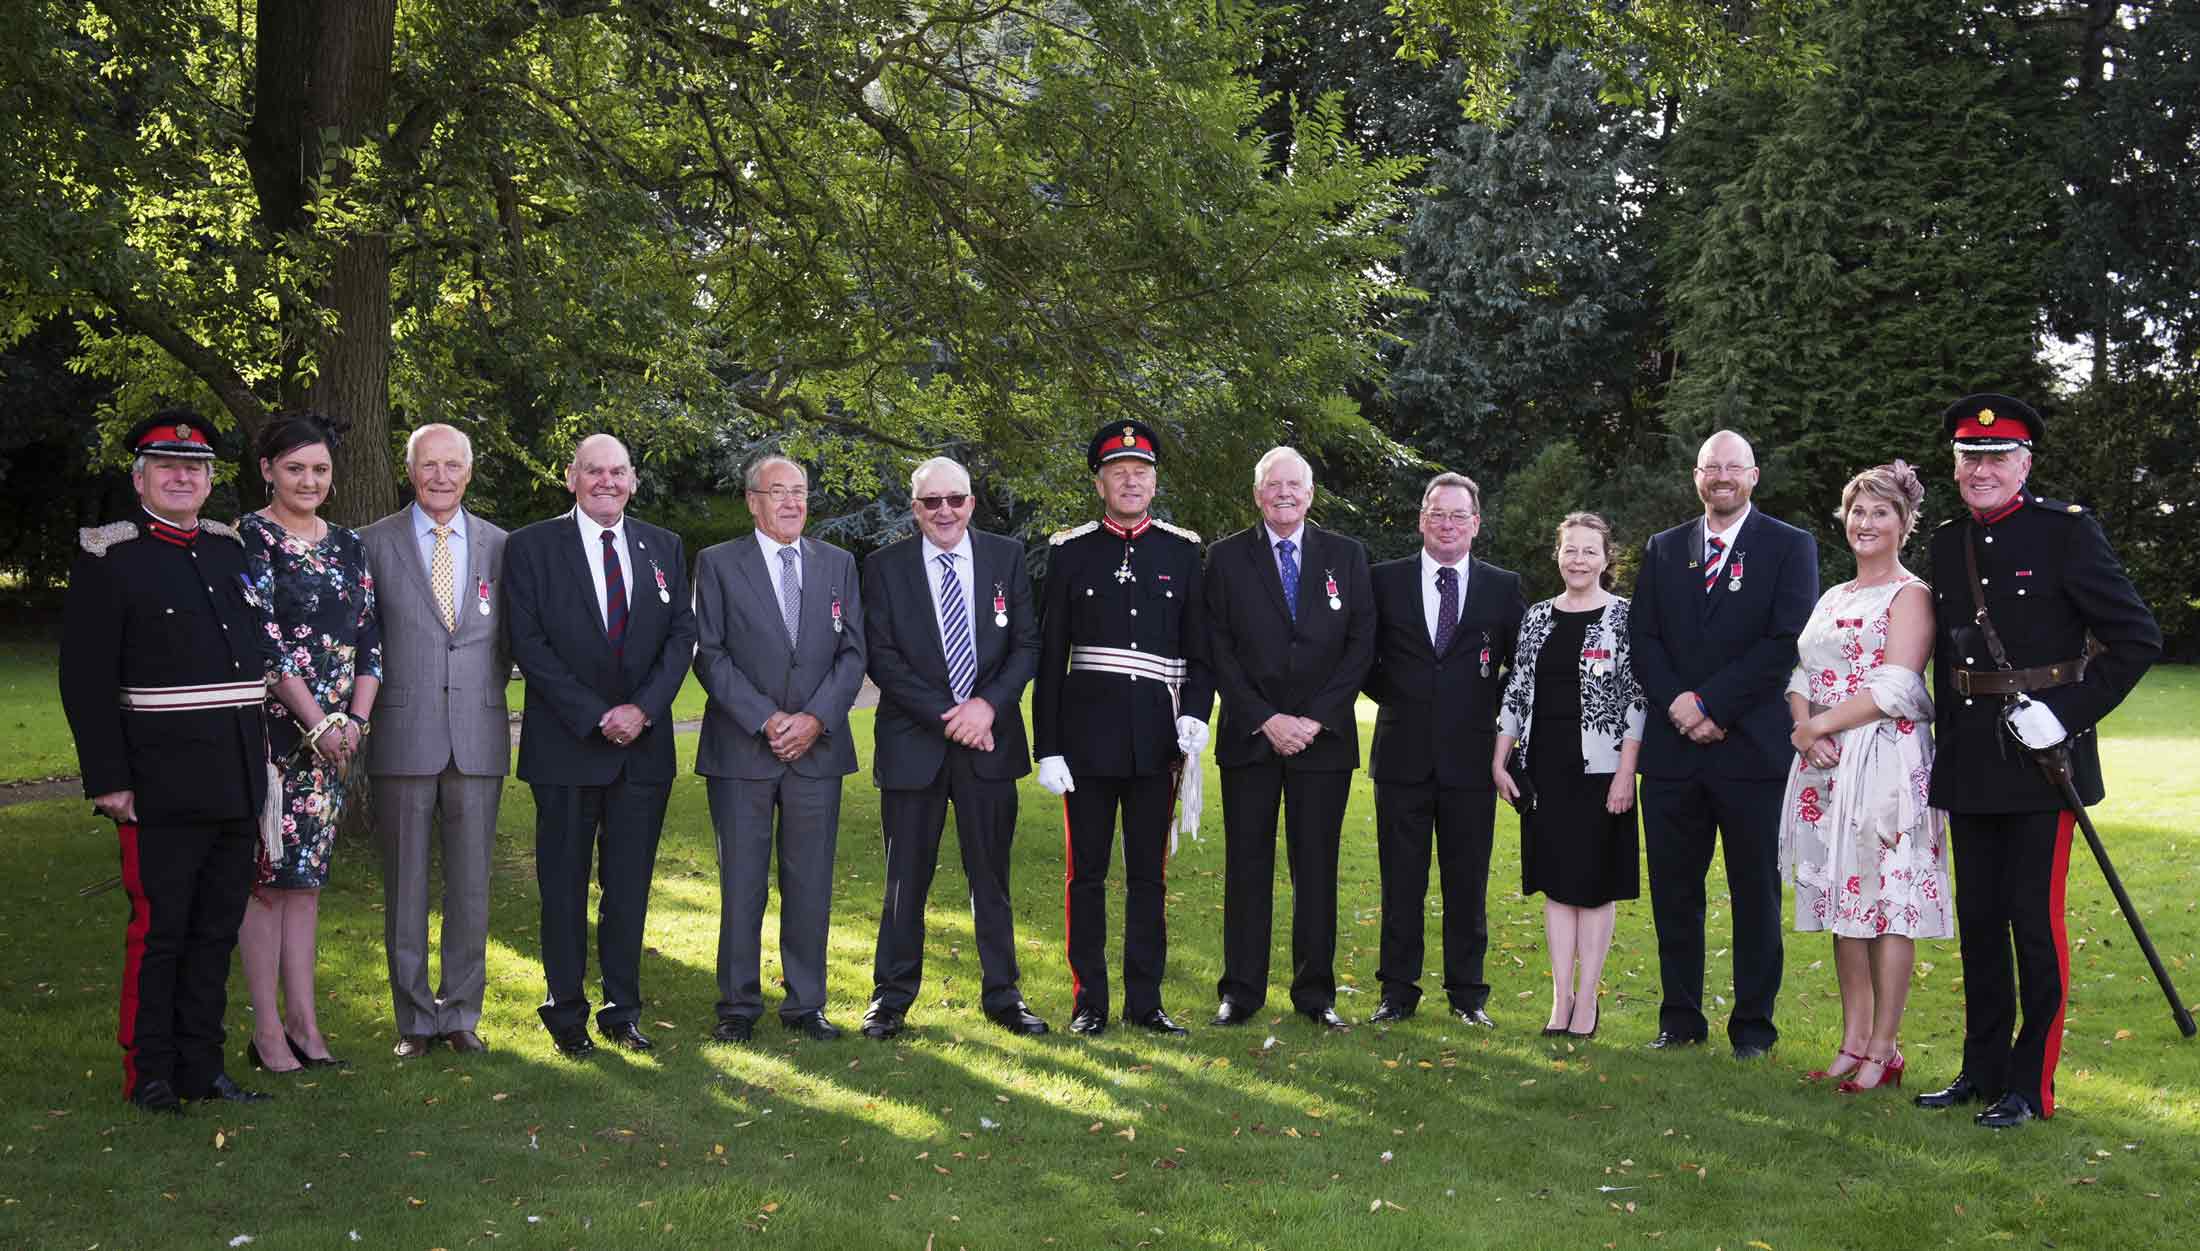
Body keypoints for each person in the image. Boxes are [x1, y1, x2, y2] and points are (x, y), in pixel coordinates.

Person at [1914, 395, 2160, 1129]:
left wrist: (2067, 712)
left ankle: (2031, 1084)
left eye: (1996, 457)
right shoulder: (1947, 542)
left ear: (2024, 463)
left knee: (2034, 921)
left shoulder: (2066, 535)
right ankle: (1981, 1069)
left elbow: (2137, 638)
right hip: (1971, 763)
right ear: (1956, 468)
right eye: (1969, 457)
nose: (1982, 468)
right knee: (1981, 923)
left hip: (2041, 764)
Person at [60, 412, 276, 1112]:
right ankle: (148, 1073)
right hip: (158, 780)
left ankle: (202, 1066)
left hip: (235, 775)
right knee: (160, 930)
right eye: (167, 466)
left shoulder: (225, 548)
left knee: (216, 930)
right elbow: (85, 679)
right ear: (140, 477)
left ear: (211, 479)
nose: (183, 476)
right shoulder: (110, 556)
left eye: (195, 467)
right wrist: (108, 778)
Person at [505, 434, 697, 1058]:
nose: (606, 482)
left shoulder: (663, 546)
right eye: (593, 471)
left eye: (617, 472)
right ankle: (565, 1013)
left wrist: (641, 710)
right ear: (570, 477)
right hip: (566, 747)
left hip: (642, 751)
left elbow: (680, 638)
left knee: (628, 887)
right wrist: (596, 715)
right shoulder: (532, 547)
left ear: (634, 481)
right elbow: (528, 644)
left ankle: (622, 1010)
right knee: (563, 887)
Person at [1629, 430, 1818, 1058]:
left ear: (1754, 477)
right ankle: (1679, 1020)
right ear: (1697, 476)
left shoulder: (1791, 547)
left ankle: (1754, 1029)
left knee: (1754, 894)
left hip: (1752, 753)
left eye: (1733, 468)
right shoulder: (1662, 549)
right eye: (1712, 468)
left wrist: (1712, 705)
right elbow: (1644, 641)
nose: (1722, 478)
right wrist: (1682, 707)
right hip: (1673, 756)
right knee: (1674, 891)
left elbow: (1785, 640)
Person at [1033, 420, 1215, 1037]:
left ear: (1155, 481)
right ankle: (1089, 1000)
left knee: (1148, 877)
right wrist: (1047, 747)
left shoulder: (1183, 550)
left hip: (1155, 743)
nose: (1131, 481)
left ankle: (1146, 1001)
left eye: (1141, 472)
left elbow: (1201, 651)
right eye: (1119, 472)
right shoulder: (1070, 551)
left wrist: (1194, 711)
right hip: (1084, 746)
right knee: (1085, 876)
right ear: (1100, 482)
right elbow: (1050, 655)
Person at [1777, 462, 1951, 1093]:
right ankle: (1852, 1039)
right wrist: (1806, 727)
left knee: (1888, 905)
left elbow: (1899, 684)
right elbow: (1801, 674)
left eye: (1880, 512)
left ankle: (1886, 1047)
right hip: (1825, 766)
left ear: (1903, 524)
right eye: (1857, 511)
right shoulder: (1834, 596)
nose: (1866, 522)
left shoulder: (1911, 595)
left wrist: (1819, 730)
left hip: (1885, 762)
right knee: (1843, 904)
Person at [859, 457, 1047, 1039]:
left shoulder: (1004, 557)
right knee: (904, 881)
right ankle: (890, 999)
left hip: (990, 741)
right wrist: (953, 717)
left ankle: (1003, 995)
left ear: (971, 502)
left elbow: (1026, 643)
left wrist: (986, 706)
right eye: (931, 502)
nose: (945, 511)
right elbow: (881, 656)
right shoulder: (884, 567)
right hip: (915, 744)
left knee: (990, 877)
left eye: (955, 499)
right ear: (915, 509)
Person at [692, 455, 866, 1044]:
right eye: (778, 491)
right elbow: (709, 654)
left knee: (810, 882)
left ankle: (805, 1004)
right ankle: (737, 1007)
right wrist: (767, 720)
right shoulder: (716, 564)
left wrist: (816, 718)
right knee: (742, 883)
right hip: (743, 750)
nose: (792, 502)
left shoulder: (838, 564)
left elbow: (853, 654)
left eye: (800, 492)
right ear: (752, 500)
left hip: (817, 753)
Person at [1204, 447, 1376, 1031]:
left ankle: (1315, 994)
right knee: (1247, 867)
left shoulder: (1345, 556)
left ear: (1310, 494)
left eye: (1295, 485)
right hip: (1251, 739)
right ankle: (1241, 992)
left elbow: (1360, 645)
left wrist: (1316, 718)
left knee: (1317, 870)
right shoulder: (1225, 559)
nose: (1284, 494)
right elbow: (1217, 647)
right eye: (1273, 485)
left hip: (1322, 742)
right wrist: (1264, 718)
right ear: (1257, 495)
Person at [237, 413, 383, 1074]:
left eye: (320, 469)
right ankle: (267, 1029)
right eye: (295, 467)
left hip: (336, 744)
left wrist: (354, 719)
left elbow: (369, 639)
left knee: (308, 883)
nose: (309, 480)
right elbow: (262, 645)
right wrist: (318, 724)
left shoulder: (350, 545)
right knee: (266, 882)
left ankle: (305, 1020)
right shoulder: (251, 537)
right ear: (267, 469)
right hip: (275, 740)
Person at [360, 423, 510, 1058]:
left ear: (469, 473)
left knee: (472, 885)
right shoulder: (370, 544)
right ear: (410, 470)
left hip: (477, 734)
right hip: (401, 733)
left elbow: (508, 642)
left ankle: (461, 1014)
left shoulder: (502, 546)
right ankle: (415, 1020)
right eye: (430, 465)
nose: (441, 476)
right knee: (406, 886)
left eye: (453, 465)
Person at [1363, 472, 1523, 1028]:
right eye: (1437, 513)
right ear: (1421, 519)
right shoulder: (1384, 581)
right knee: (1400, 881)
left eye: (1459, 516)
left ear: (1476, 524)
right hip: (1402, 755)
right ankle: (1397, 993)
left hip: (1472, 760)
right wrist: (1410, 698)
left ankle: (1467, 994)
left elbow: (1517, 671)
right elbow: (1364, 661)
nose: (1447, 524)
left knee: (1467, 882)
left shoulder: (1503, 587)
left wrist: (1476, 706)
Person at [1495, 512, 1645, 1041]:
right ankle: (1561, 999)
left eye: (1589, 551)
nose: (1578, 559)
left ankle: (1589, 998)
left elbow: (1636, 699)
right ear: (1557, 555)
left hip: (1602, 770)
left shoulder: (1625, 618)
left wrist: (1627, 771)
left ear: (1607, 559)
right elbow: (1516, 691)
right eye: (1570, 550)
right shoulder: (1536, 617)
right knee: (1558, 887)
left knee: (1594, 886)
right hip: (1545, 769)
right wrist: (1500, 757)